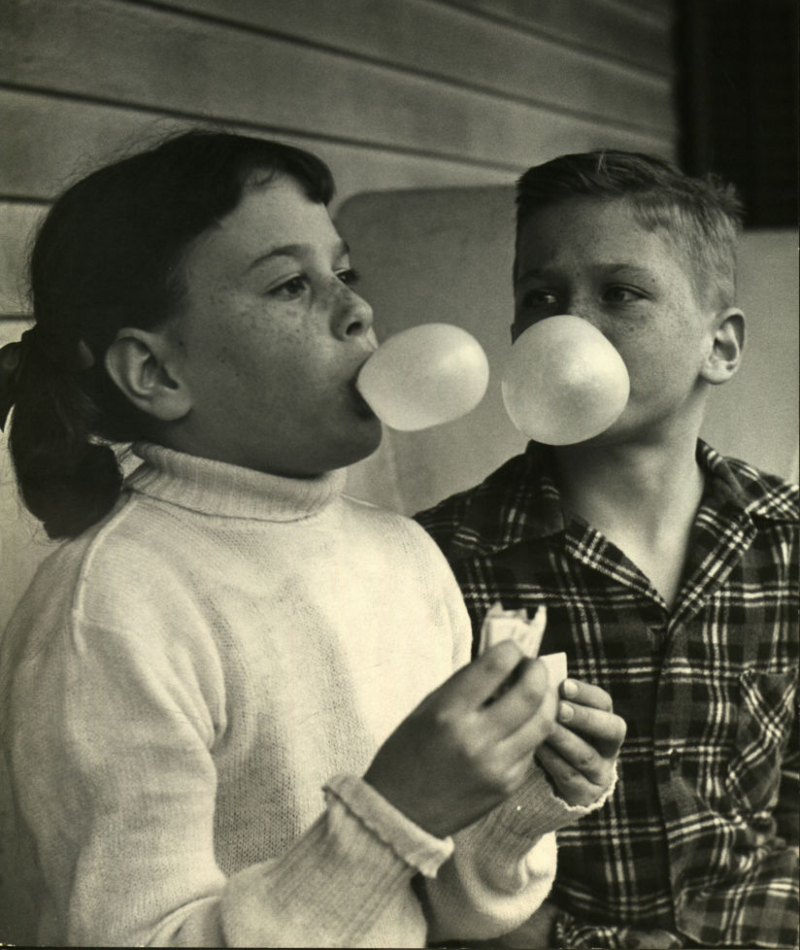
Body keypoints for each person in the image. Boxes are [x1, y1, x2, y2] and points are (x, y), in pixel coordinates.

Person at [0, 131, 625, 948]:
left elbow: (451, 910)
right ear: (156, 375)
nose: (358, 308)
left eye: (346, 272)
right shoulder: (114, 605)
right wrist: (396, 809)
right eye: (292, 284)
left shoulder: (404, 555)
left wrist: (516, 798)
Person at [416, 150, 799, 949]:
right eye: (541, 297)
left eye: (620, 293)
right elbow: (422, 828)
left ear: (720, 347)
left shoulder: (788, 539)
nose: (568, 324)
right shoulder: (443, 558)